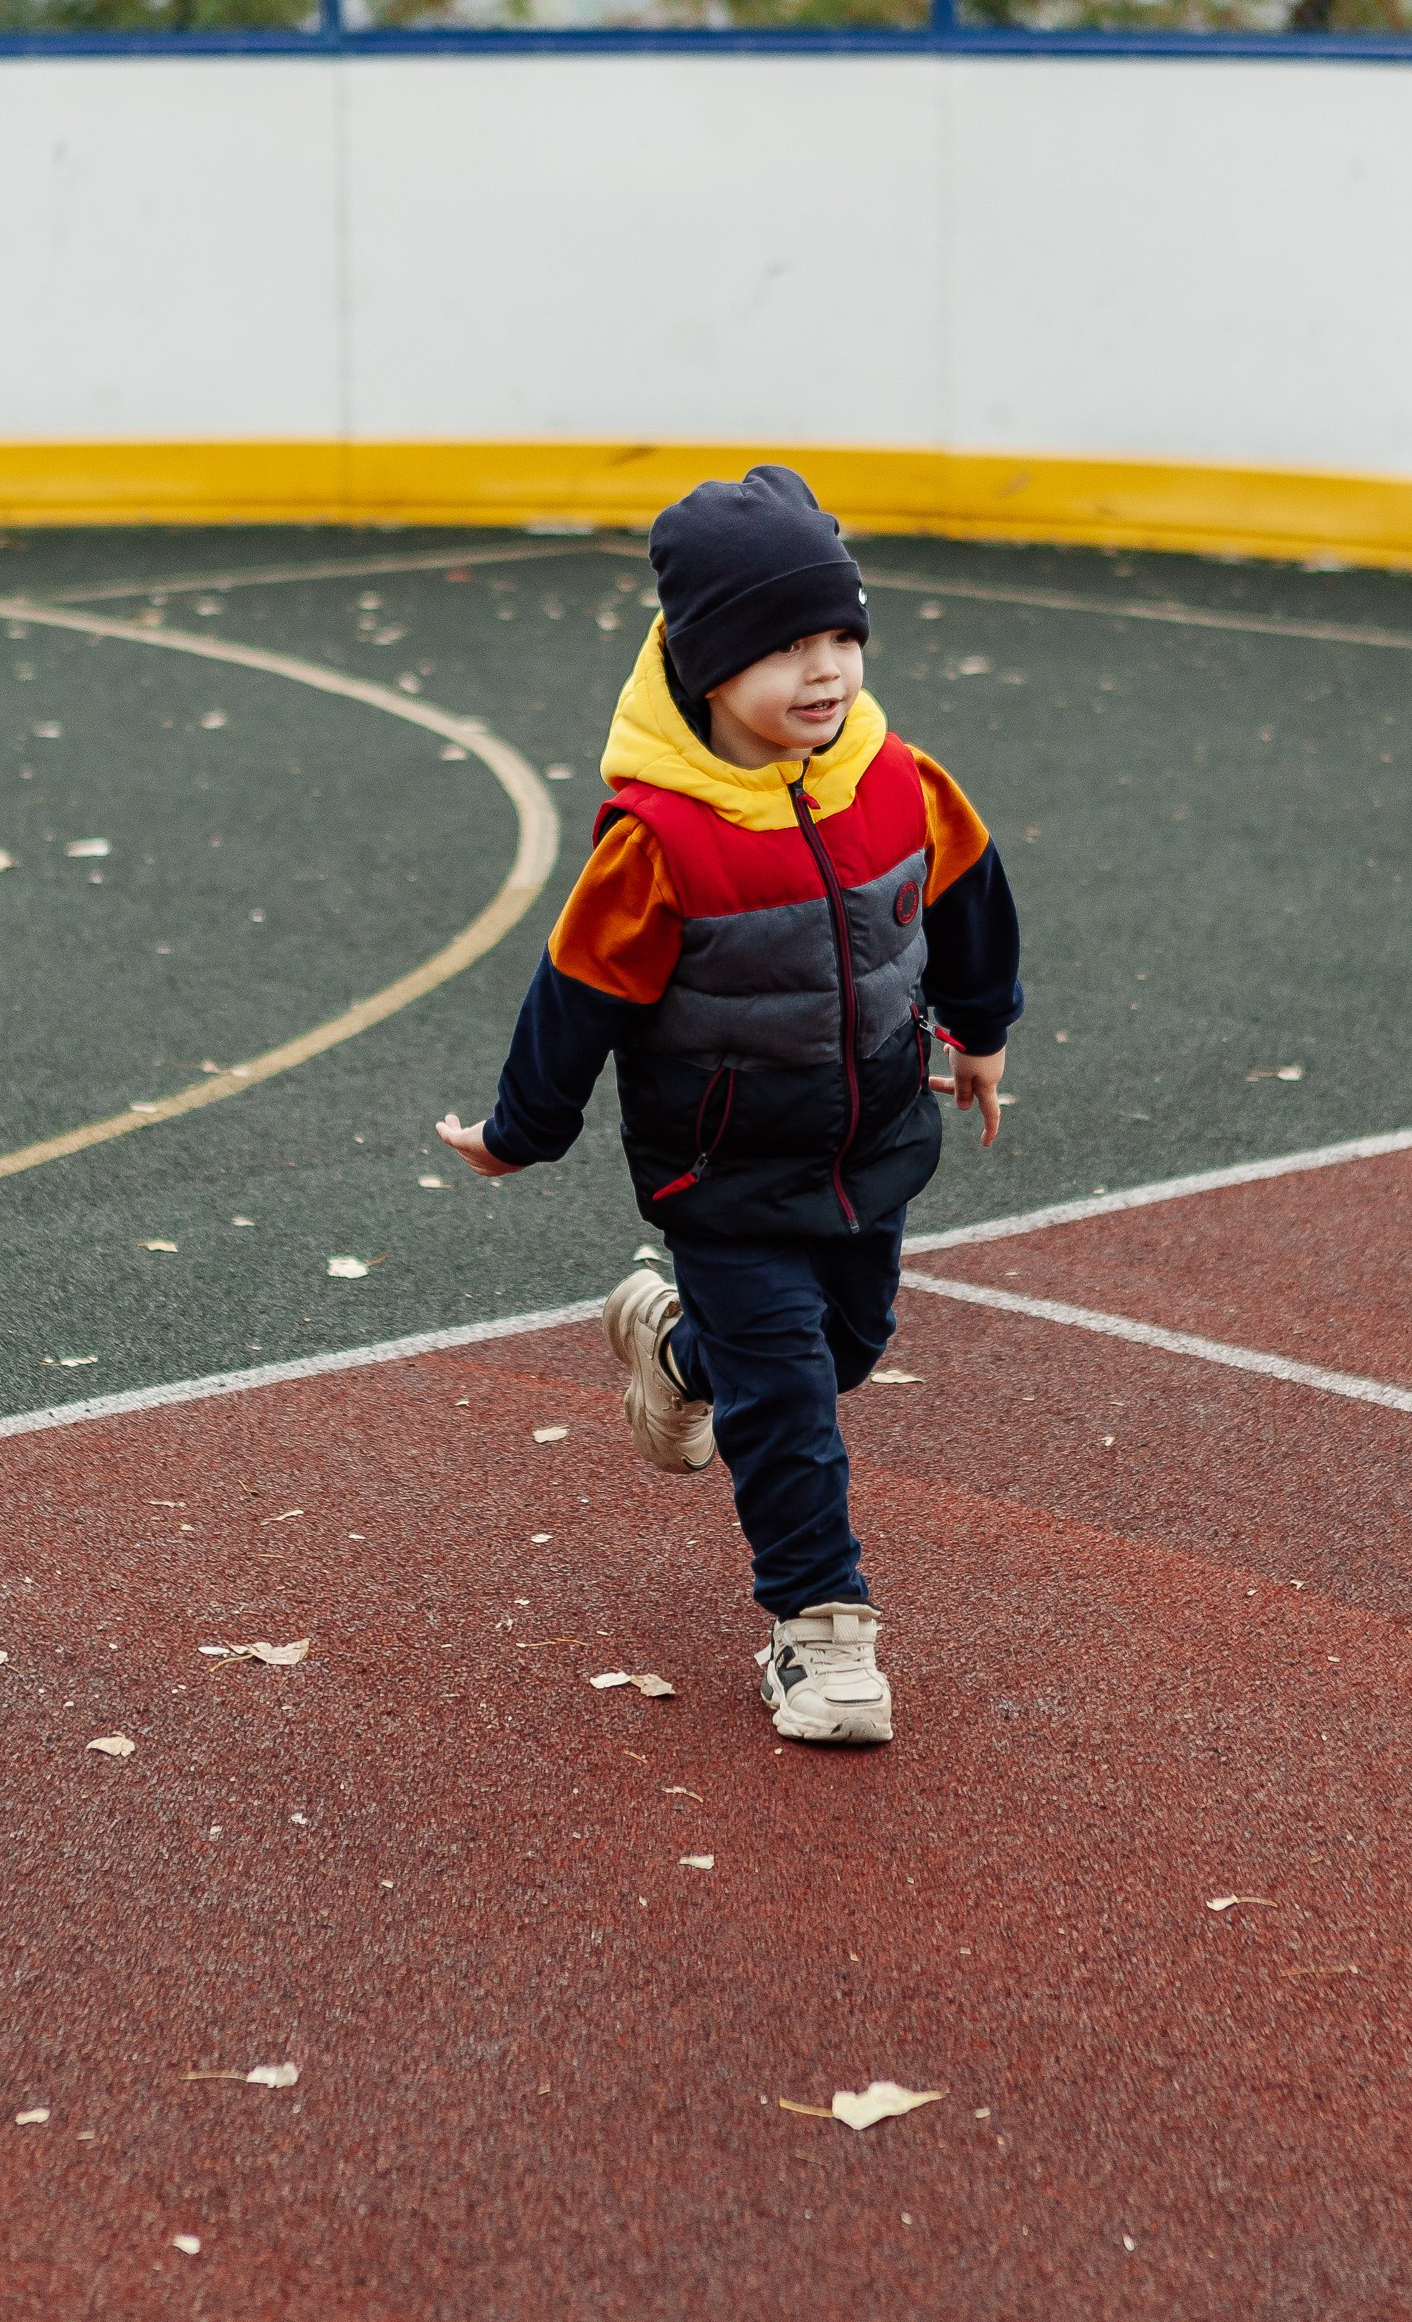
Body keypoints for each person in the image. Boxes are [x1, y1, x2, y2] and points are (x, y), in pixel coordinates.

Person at [436, 464, 1022, 1747]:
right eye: (781, 647)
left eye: (838, 638)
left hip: (868, 1147)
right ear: (704, 667)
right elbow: (573, 998)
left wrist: (979, 1028)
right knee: (791, 1398)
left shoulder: (896, 781)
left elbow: (969, 899)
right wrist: (516, 1131)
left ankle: (670, 1353)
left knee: (842, 1350)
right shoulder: (656, 840)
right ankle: (819, 1632)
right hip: (721, 1176)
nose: (821, 672)